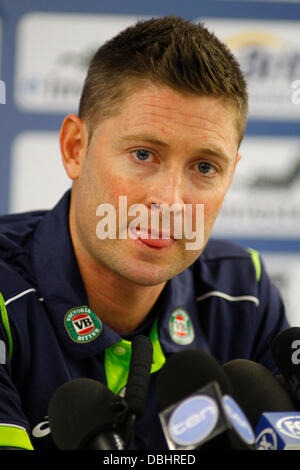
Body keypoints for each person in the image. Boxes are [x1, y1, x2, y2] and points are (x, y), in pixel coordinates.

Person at [0, 16, 289, 450]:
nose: (170, 202)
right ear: (75, 149)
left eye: (205, 167)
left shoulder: (242, 293)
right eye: (143, 154)